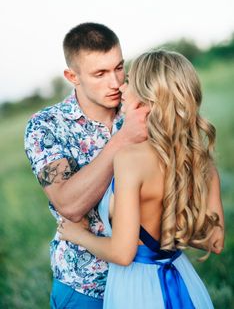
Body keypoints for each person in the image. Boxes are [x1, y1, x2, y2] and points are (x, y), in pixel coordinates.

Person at [58, 50, 224, 309]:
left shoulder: (130, 159)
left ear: (148, 97)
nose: (122, 88)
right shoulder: (201, 161)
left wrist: (77, 235)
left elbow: (123, 254)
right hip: (184, 279)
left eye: (130, 81)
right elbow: (215, 241)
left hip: (138, 289)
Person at [24, 22, 149, 308]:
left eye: (119, 67)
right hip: (86, 286)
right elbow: (68, 204)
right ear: (73, 76)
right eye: (100, 74)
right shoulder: (45, 127)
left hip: (146, 275)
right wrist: (122, 140)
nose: (116, 83)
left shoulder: (138, 108)